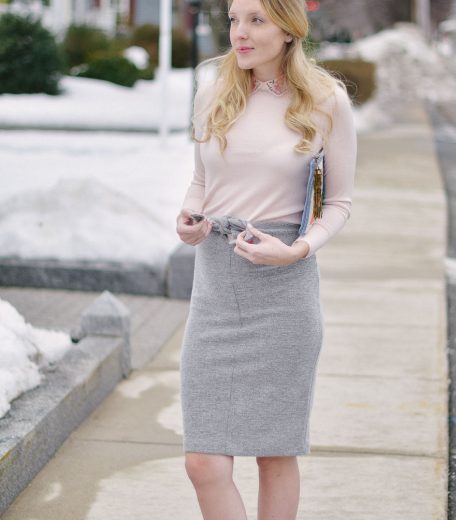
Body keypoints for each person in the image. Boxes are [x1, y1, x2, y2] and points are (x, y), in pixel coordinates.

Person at [175, 0, 356, 518]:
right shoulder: (214, 88)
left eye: (256, 20)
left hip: (284, 291)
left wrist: (296, 250)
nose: (240, 33)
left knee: (275, 454)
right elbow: (203, 180)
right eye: (234, 19)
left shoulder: (326, 100)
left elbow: (339, 203)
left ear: (289, 27)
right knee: (203, 462)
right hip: (214, 285)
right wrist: (191, 217)